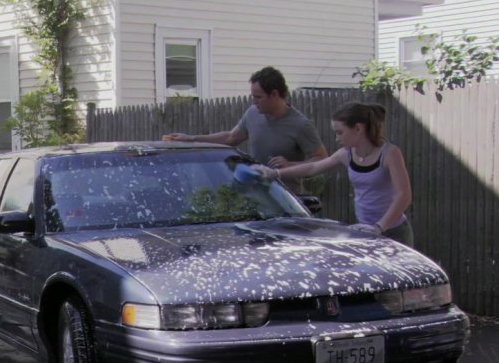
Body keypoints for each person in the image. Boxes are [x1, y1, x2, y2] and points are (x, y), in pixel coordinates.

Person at [252, 101, 414, 246]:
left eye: (340, 132)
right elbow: (313, 168)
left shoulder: (389, 154)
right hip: (365, 230)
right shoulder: (346, 154)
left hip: (393, 231)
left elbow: (404, 195)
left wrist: (380, 226)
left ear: (358, 128)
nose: (337, 138)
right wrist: (275, 173)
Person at [163, 66, 327, 194]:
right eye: (252, 97)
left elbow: (321, 159)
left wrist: (290, 164)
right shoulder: (253, 113)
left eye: (258, 97)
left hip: (286, 198)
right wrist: (191, 139)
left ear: (275, 94)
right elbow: (231, 137)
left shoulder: (300, 124)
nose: (254, 102)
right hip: (255, 195)